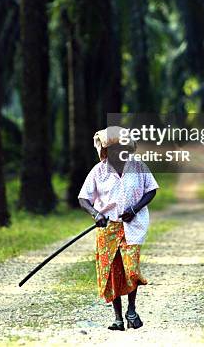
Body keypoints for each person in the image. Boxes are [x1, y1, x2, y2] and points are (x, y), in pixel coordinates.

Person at [78, 126, 159, 331]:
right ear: (105, 150)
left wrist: (135, 208)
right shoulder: (98, 171)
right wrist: (96, 214)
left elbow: (151, 190)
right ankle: (118, 319)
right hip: (108, 229)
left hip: (133, 225)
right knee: (113, 272)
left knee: (131, 269)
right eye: (112, 148)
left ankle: (131, 310)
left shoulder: (138, 166)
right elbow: (83, 198)